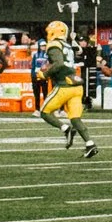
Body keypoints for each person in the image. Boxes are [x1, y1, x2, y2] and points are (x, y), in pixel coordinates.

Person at [37, 18, 98, 158]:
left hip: (64, 85)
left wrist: (45, 74)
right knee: (75, 118)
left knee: (44, 112)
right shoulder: (67, 45)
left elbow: (58, 64)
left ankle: (65, 129)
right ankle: (90, 144)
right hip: (77, 86)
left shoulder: (54, 44)